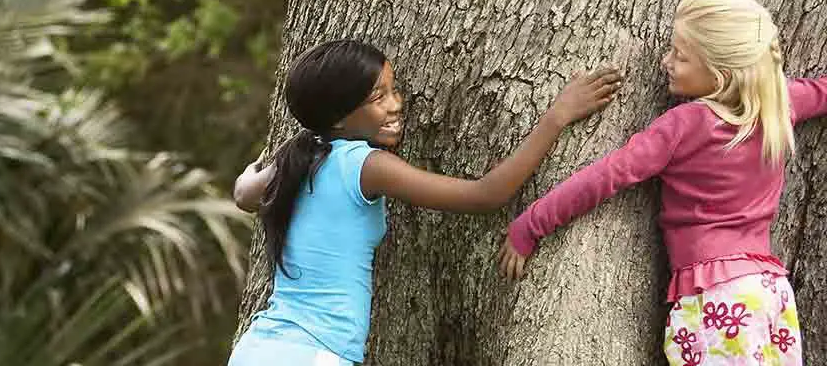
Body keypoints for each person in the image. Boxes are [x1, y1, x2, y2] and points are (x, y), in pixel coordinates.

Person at [229, 39, 622, 365]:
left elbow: (245, 194)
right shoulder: (365, 166)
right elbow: (484, 195)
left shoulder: (298, 156)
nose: (396, 104)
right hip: (310, 354)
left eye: (393, 90)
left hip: (261, 346)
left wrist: (247, 179)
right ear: (338, 118)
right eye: (376, 97)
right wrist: (557, 116)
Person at [500, 0, 827, 365]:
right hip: (770, 296)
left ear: (719, 75)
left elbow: (606, 176)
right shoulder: (779, 103)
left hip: (717, 304)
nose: (665, 61)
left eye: (680, 56)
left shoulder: (685, 126)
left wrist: (531, 225)